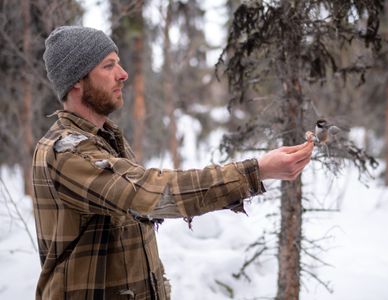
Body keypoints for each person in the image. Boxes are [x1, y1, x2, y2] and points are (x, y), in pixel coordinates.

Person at [32, 26, 314, 300]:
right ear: (77, 81)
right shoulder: (67, 153)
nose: (123, 74)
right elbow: (151, 194)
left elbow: (134, 223)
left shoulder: (103, 139)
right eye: (108, 66)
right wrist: (257, 171)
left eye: (118, 63)